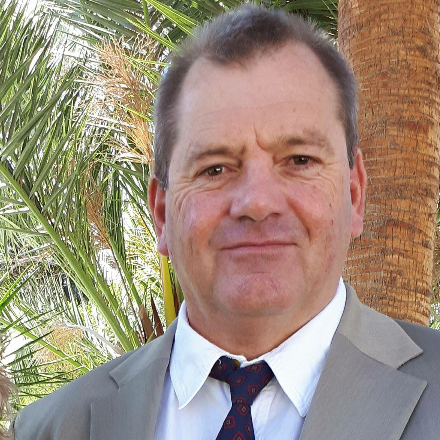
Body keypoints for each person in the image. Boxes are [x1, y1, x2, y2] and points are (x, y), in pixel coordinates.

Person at [12, 5, 440, 440]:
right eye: (215, 169)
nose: (257, 203)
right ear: (162, 212)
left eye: (299, 160)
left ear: (355, 193)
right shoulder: (51, 429)